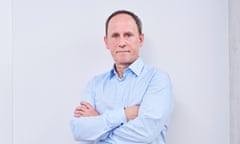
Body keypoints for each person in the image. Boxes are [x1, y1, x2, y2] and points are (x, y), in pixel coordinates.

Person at [70, 9, 174, 144]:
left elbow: (145, 133)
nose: (122, 43)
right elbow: (79, 130)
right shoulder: (95, 84)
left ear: (140, 40)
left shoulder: (157, 79)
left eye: (128, 35)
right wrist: (125, 114)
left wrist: (99, 122)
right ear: (106, 42)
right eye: (115, 36)